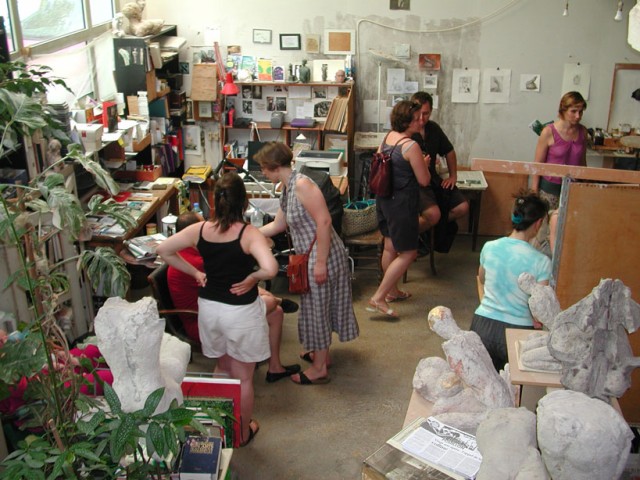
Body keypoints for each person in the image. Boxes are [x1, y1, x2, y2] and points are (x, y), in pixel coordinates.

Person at [156, 172, 278, 447]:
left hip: (210, 309)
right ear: (244, 202)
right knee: (244, 377)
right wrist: (252, 278)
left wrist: (195, 273)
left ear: (215, 201)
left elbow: (163, 249)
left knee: (222, 367)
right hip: (240, 313)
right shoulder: (248, 233)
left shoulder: (200, 230)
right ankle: (241, 434)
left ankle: (219, 429)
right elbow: (270, 268)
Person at [255, 142, 359, 385]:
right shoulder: (288, 188)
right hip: (311, 256)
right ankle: (321, 355)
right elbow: (279, 225)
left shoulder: (302, 185)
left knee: (318, 309)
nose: (263, 173)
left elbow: (324, 222)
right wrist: (248, 235)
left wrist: (320, 263)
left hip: (323, 256)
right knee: (316, 307)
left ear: (274, 166)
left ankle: (320, 368)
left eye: (264, 169)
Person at [166, 211, 301, 383]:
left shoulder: (185, 253)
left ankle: (275, 367)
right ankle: (277, 302)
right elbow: (238, 285)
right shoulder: (199, 262)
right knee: (270, 302)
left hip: (212, 309)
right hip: (202, 320)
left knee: (277, 312)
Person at [470, 191, 551, 371]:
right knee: (513, 385)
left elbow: (482, 278)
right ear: (538, 223)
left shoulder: (489, 247)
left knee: (480, 382)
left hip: (482, 325)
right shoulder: (542, 261)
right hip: (518, 330)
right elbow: (539, 309)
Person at [368, 100, 431, 317]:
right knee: (409, 253)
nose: (421, 121)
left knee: (390, 247)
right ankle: (379, 297)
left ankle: (392, 292)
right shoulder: (411, 146)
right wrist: (424, 164)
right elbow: (424, 180)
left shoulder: (387, 138)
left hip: (384, 200)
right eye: (416, 118)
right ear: (406, 122)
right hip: (402, 205)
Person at [410, 92, 469, 245]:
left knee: (462, 207)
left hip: (432, 180)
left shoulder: (433, 129)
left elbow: (449, 151)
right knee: (432, 214)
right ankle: (407, 237)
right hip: (414, 183)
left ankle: (430, 230)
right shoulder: (407, 131)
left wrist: (453, 176)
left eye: (426, 113)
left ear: (431, 112)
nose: (421, 118)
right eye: (418, 113)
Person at [531, 91, 588, 211]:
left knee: (570, 222)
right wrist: (534, 193)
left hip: (573, 190)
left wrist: (586, 186)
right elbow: (537, 165)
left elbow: (583, 162)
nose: (578, 116)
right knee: (547, 222)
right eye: (573, 111)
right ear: (563, 110)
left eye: (581, 111)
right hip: (549, 191)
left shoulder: (583, 132)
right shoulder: (548, 132)